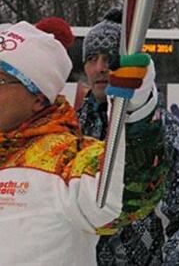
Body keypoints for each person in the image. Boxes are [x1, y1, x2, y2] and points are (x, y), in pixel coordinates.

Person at [0, 20, 166, 265]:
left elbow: (125, 197)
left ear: (38, 97)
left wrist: (136, 109)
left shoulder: (69, 159)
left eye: (1, 80)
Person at [79, 8, 179, 265]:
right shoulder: (75, 128)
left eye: (110, 58)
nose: (100, 68)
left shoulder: (166, 132)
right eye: (92, 59)